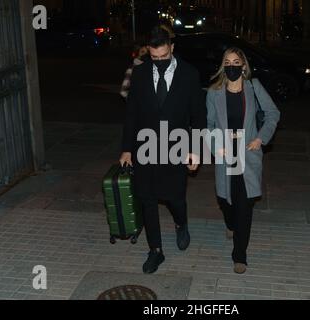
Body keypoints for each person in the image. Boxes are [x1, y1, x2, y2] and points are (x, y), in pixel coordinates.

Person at [119, 26, 206, 274]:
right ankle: (155, 250)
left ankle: (181, 223)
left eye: (163, 57)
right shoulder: (140, 73)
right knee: (147, 198)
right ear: (149, 52)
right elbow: (132, 113)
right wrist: (126, 149)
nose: (158, 62)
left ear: (172, 49)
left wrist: (196, 149)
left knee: (174, 197)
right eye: (154, 58)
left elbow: (198, 116)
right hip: (144, 145)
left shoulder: (189, 74)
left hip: (177, 144)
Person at [206, 48, 280, 274]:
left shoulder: (253, 87)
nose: (231, 66)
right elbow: (208, 124)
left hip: (247, 153)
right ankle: (230, 223)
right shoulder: (214, 92)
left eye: (236, 62)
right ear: (222, 65)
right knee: (227, 201)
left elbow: (273, 113)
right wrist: (215, 144)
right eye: (227, 62)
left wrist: (260, 138)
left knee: (244, 204)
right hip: (225, 153)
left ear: (244, 66)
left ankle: (240, 255)